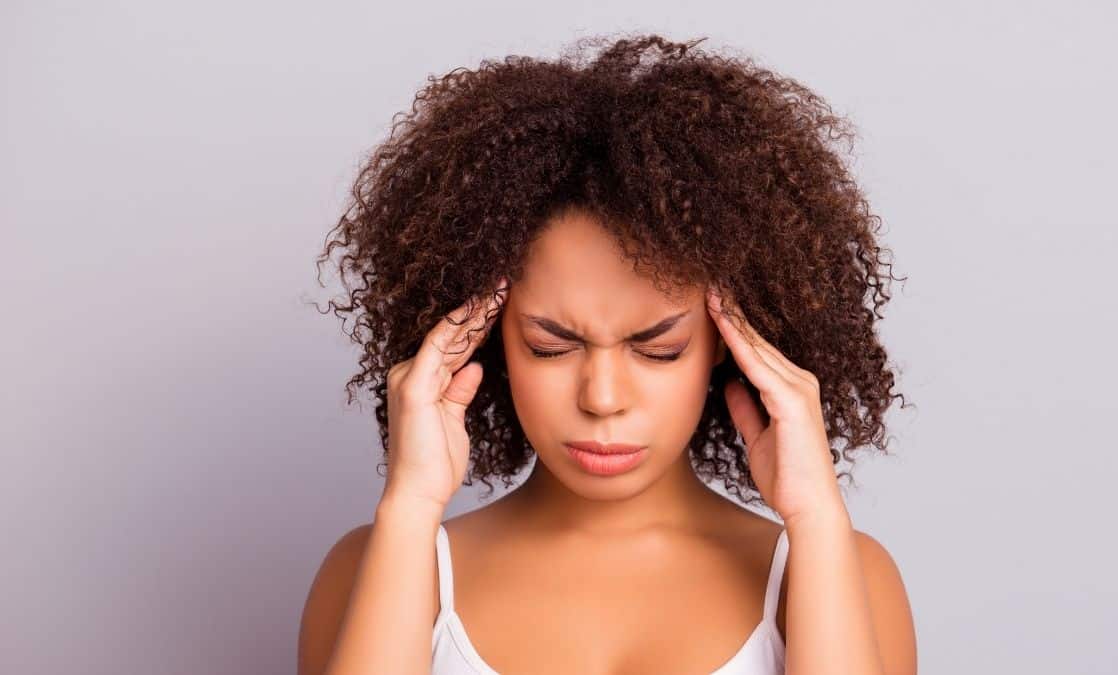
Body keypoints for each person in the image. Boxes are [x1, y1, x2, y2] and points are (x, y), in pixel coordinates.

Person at [298, 33, 917, 675]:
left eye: (659, 350)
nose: (602, 398)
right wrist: (412, 506)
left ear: (730, 347)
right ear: (486, 341)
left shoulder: (843, 572)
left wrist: (814, 514)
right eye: (550, 347)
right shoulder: (375, 568)